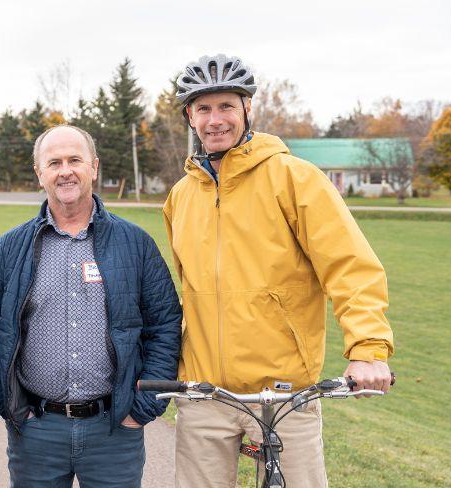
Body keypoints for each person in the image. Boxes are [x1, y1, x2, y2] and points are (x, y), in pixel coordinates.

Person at [162, 54, 395, 487]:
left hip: (284, 393)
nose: (216, 119)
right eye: (204, 109)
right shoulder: (180, 196)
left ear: (247, 109)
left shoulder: (294, 178)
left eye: (227, 106)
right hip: (204, 394)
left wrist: (368, 349)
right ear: (190, 117)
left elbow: (349, 265)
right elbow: (188, 289)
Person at [0, 125, 182, 487]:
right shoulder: (11, 247)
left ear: (94, 167)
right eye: (54, 162)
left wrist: (143, 407)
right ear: (39, 173)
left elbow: (164, 324)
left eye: (75, 160)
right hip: (36, 431)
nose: (65, 170)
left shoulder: (135, 243)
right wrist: (6, 403)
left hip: (114, 429)